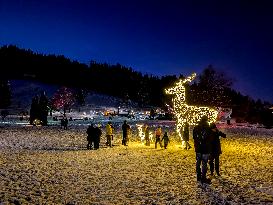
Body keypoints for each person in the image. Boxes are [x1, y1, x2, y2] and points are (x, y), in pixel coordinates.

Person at [193, 116, 212, 184]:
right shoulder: (208, 128)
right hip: (205, 149)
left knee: (198, 163)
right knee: (204, 163)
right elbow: (210, 139)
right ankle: (203, 177)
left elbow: (194, 137)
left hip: (198, 149)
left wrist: (197, 144)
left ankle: (198, 177)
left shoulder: (196, 127)